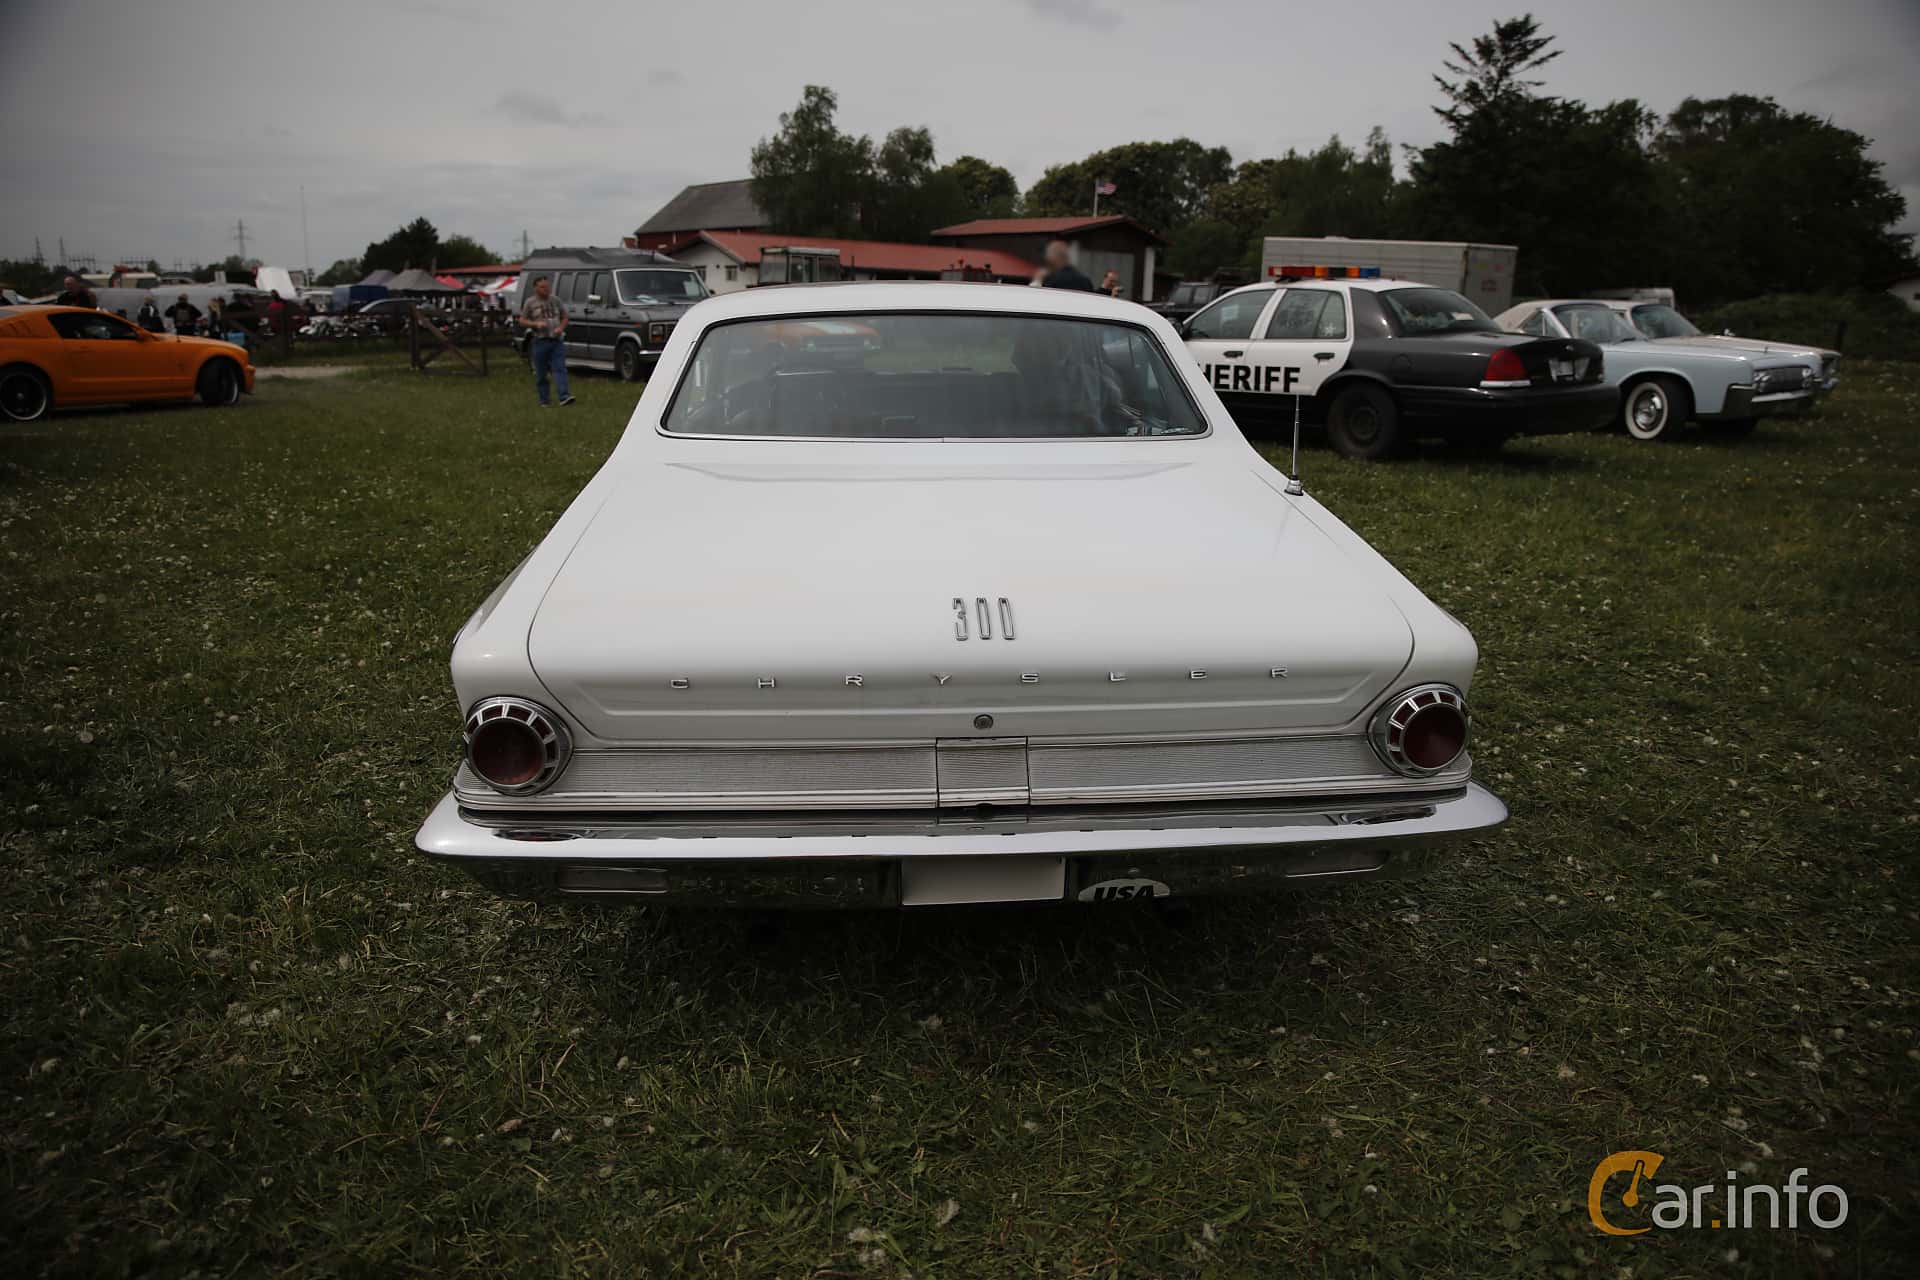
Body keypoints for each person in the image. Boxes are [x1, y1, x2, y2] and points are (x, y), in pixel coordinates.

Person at [517, 275, 574, 407]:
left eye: (547, 287)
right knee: (541, 372)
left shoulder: (555, 300)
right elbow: (522, 320)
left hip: (556, 341)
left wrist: (560, 327)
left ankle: (564, 396)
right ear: (535, 288)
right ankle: (544, 399)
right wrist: (535, 324)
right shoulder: (530, 303)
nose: (546, 290)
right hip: (540, 341)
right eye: (542, 287)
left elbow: (565, 317)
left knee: (560, 369)